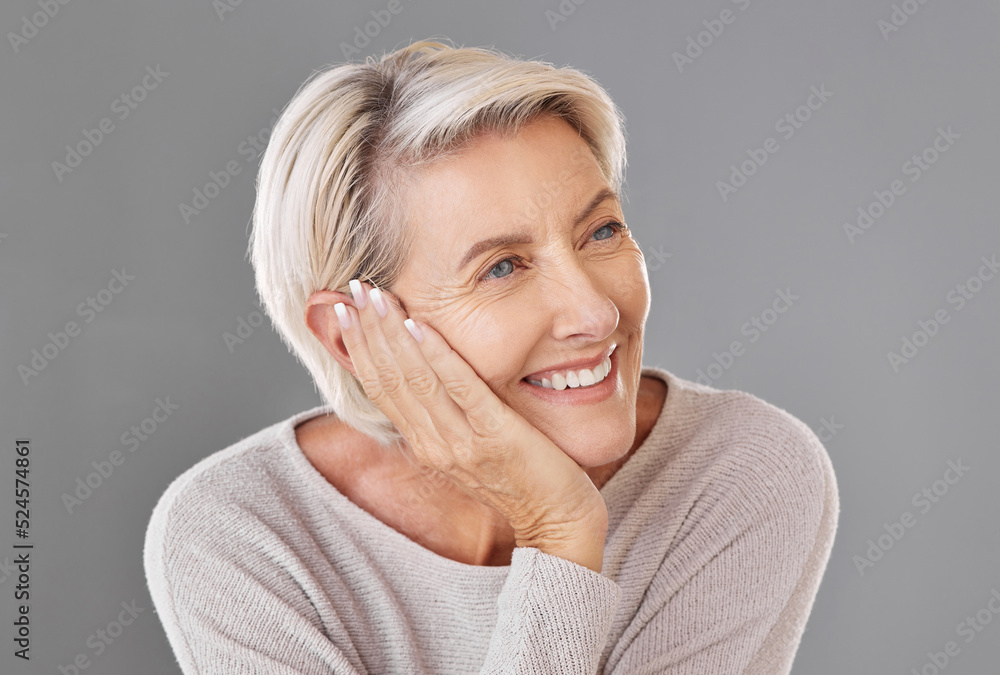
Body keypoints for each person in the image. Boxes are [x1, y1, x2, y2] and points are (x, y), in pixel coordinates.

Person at [144, 39, 839, 674]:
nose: (596, 313)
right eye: (503, 268)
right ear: (350, 332)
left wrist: (554, 534)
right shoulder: (240, 532)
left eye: (601, 230)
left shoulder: (737, 470)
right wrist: (560, 534)